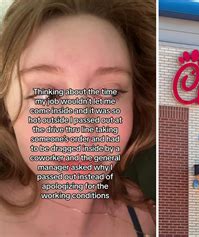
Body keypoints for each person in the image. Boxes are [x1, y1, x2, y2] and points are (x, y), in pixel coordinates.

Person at [0, 0, 156, 236]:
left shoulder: (146, 217)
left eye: (109, 93)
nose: (82, 132)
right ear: (5, 107)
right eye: (47, 94)